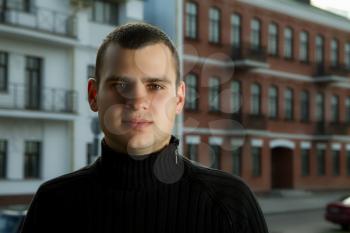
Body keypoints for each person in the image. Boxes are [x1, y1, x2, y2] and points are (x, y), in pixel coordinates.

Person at [20, 22, 269, 233]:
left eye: (156, 86)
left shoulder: (230, 204)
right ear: (94, 95)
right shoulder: (52, 204)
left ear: (179, 98)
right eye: (120, 84)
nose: (138, 102)